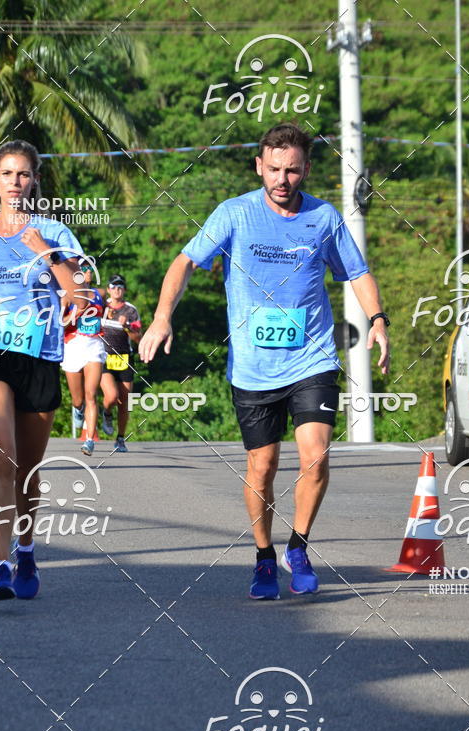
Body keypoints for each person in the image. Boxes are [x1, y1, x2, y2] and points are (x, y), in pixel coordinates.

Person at [140, 123, 390, 600]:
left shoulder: (324, 218)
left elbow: (356, 272)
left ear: (306, 170)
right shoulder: (234, 214)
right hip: (253, 368)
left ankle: (298, 546)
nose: (282, 179)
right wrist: (161, 317)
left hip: (311, 359)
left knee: (315, 458)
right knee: (263, 466)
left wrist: (378, 318)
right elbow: (185, 262)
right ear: (259, 166)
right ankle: (262, 557)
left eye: (292, 170)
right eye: (273, 169)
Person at [0, 140, 86, 600]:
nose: (15, 182)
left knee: (27, 471)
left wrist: (46, 252)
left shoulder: (53, 231)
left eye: (24, 174)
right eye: (7, 173)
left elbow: (78, 293)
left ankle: (25, 549)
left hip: (39, 356)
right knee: (3, 457)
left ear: (34, 179)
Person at [61, 263, 107, 456]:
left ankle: (89, 440)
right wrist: (77, 314)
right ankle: (77, 409)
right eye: (83, 269)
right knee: (78, 399)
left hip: (94, 346)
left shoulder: (100, 293)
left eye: (90, 269)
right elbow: (59, 324)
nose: (88, 272)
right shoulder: (67, 295)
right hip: (72, 346)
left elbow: (110, 311)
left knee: (91, 395)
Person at [100, 274, 142, 452]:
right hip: (103, 357)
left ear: (124, 290)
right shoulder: (101, 306)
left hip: (124, 358)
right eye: (114, 286)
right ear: (108, 289)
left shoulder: (131, 311)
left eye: (120, 286)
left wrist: (126, 326)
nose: (117, 289)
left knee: (124, 401)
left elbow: (139, 338)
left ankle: (120, 438)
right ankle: (107, 413)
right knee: (111, 396)